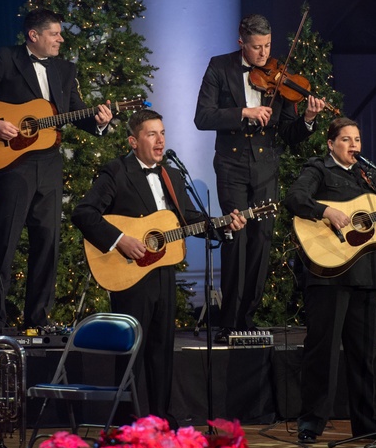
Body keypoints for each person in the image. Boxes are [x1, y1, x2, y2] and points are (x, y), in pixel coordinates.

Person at [72, 109, 246, 424]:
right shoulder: (116, 171)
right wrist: (121, 240)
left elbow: (189, 219)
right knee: (131, 352)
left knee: (162, 350)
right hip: (130, 273)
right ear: (133, 140)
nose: (160, 139)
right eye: (151, 134)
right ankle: (126, 424)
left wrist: (224, 225)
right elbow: (83, 213)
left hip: (164, 271)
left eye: (162, 133)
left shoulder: (172, 175)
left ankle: (159, 420)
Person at [0, 8, 113, 331]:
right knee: (4, 241)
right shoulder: (7, 59)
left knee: (47, 242)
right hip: (14, 164)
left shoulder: (65, 70)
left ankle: (36, 321)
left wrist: (99, 122)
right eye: (54, 34)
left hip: (50, 164)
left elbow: (75, 113)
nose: (61, 39)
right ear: (34, 36)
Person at [284, 117, 376, 443]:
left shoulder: (370, 174)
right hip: (329, 274)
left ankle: (366, 422)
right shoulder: (318, 169)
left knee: (364, 355)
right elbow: (294, 198)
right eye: (346, 140)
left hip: (367, 274)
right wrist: (325, 211)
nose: (353, 146)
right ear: (331, 143)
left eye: (357, 139)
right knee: (323, 351)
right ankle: (311, 422)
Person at [194, 13, 325, 343]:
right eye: (256, 48)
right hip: (231, 165)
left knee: (261, 243)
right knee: (235, 238)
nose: (264, 55)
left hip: (266, 168)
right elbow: (202, 117)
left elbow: (289, 133)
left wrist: (308, 120)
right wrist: (243, 113)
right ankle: (228, 321)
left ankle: (247, 318)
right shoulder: (219, 67)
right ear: (242, 43)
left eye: (267, 46)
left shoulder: (278, 77)